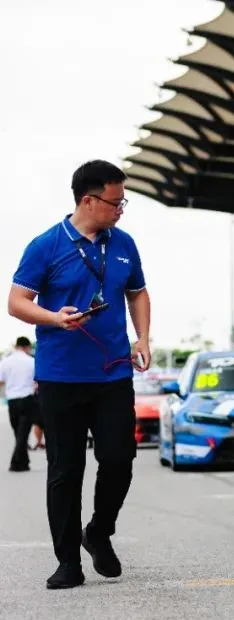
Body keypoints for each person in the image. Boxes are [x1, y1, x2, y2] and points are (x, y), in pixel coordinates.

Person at [7, 160, 151, 590]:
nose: (121, 208)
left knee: (119, 459)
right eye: (115, 201)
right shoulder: (46, 245)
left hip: (112, 375)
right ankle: (68, 561)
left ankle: (99, 532)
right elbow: (17, 302)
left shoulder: (123, 243)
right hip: (61, 377)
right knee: (65, 470)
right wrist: (54, 317)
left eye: (123, 201)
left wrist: (143, 338)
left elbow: (138, 293)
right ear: (88, 200)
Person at [0, 337, 38, 471]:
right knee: (23, 433)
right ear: (27, 347)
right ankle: (16, 463)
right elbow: (38, 381)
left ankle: (23, 462)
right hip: (27, 399)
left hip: (12, 401)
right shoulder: (31, 361)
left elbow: (1, 381)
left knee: (18, 432)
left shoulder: (5, 362)